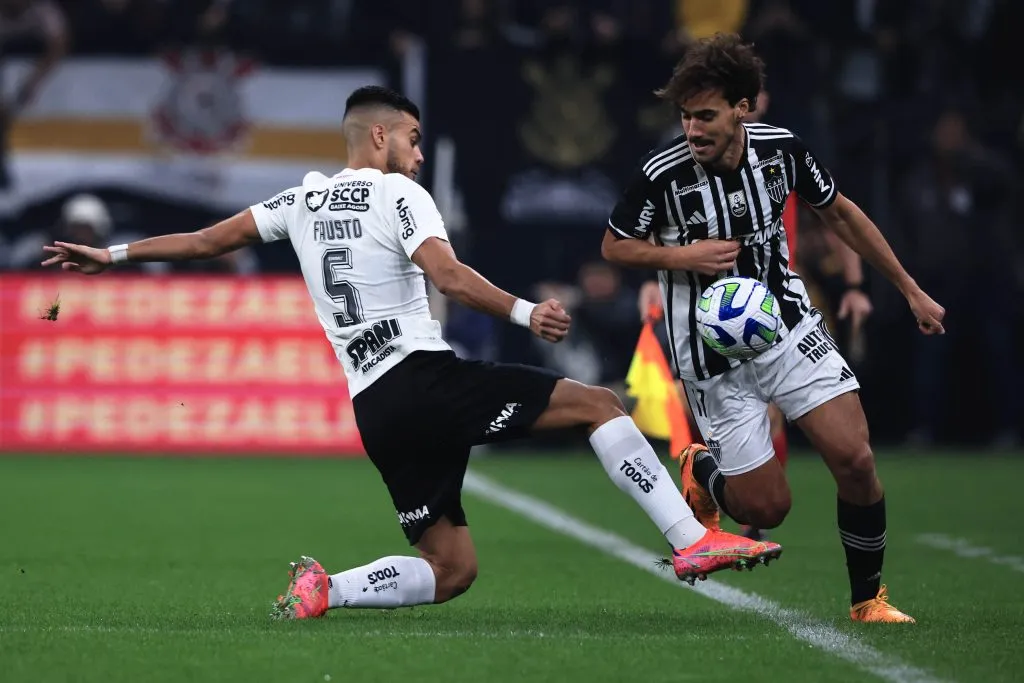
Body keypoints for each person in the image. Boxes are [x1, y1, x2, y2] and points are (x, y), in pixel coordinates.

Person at [42, 85, 781, 620]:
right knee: (598, 404)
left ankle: (326, 587)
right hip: (424, 377)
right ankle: (691, 539)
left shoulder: (298, 203)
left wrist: (112, 254)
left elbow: (204, 242)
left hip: (375, 408)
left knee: (452, 568)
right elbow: (449, 276)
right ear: (378, 139)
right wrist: (529, 312)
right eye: (413, 139)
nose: (419, 154)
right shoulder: (400, 196)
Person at [601, 34, 945, 624]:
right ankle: (701, 468)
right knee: (769, 508)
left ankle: (867, 600)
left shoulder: (784, 152)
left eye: (705, 115)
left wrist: (909, 289)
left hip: (786, 327)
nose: (692, 129)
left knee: (856, 460)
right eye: (685, 116)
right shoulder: (662, 175)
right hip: (711, 354)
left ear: (743, 107)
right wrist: (686, 257)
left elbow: (840, 212)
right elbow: (613, 245)